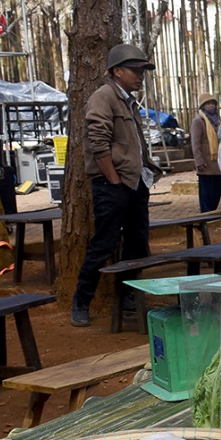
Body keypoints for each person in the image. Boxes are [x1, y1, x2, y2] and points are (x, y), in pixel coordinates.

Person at [71, 44, 163, 327]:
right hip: (114, 185)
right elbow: (98, 142)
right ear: (116, 71)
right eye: (135, 70)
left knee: (137, 244)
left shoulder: (128, 100)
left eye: (143, 70)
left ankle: (129, 298)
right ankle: (81, 302)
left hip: (135, 184)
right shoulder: (104, 97)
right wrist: (113, 181)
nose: (140, 75)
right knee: (103, 244)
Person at [190, 92, 221, 212]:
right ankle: (206, 217)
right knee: (206, 194)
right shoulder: (198, 121)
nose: (211, 106)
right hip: (205, 164)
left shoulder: (218, 121)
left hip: (217, 163)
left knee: (216, 193)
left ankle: (211, 213)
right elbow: (195, 143)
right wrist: (199, 161)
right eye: (208, 103)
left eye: (212, 103)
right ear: (203, 106)